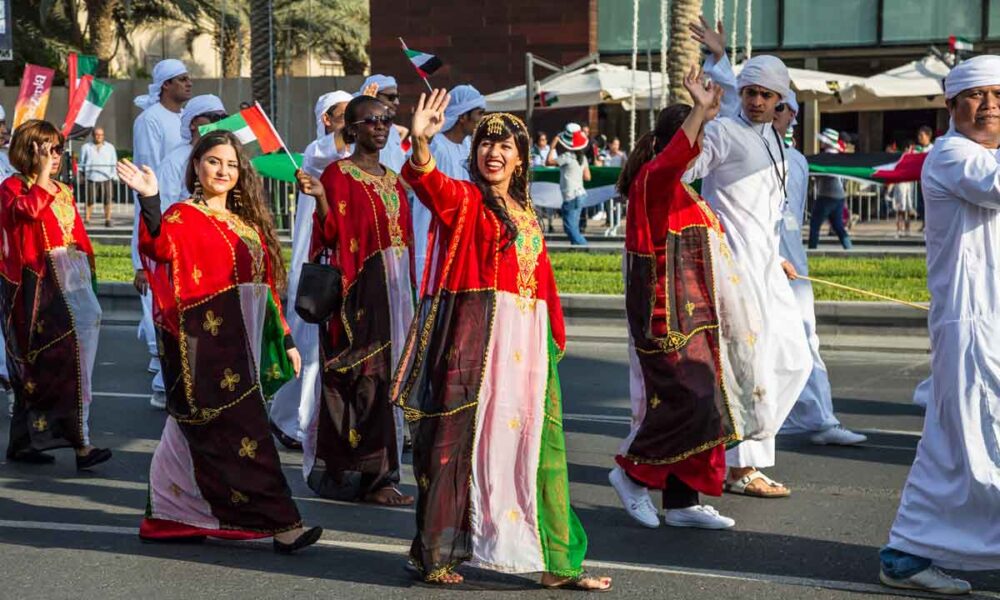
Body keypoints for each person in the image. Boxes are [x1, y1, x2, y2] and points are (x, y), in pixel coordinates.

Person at [391, 91, 611, 590]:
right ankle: (437, 554)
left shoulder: (525, 211)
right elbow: (428, 183)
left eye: (505, 145)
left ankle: (555, 563)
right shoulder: (466, 200)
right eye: (486, 143)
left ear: (520, 158)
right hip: (477, 333)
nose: (494, 152)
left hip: (527, 343)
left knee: (532, 445)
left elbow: (544, 279)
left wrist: (554, 332)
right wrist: (422, 141)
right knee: (459, 444)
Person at [116, 131, 323, 553]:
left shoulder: (247, 225)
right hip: (201, 347)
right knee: (242, 434)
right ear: (197, 165)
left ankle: (171, 514)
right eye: (214, 161)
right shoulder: (181, 217)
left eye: (231, 164)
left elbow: (265, 289)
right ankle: (282, 522)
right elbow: (158, 246)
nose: (223, 171)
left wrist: (284, 339)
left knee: (186, 431)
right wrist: (150, 200)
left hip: (242, 346)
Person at [610, 66, 766, 531]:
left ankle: (682, 502)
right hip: (666, 321)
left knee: (706, 409)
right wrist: (700, 110)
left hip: (699, 319)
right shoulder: (653, 185)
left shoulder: (686, 195)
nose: (699, 151)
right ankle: (629, 472)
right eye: (694, 139)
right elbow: (674, 159)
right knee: (687, 405)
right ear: (669, 145)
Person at [878, 55, 1000, 596]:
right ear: (952, 107)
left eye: (999, 95)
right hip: (972, 326)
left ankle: (907, 554)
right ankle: (907, 554)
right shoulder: (954, 155)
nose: (990, 105)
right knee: (971, 441)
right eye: (977, 96)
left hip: (989, 323)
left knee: (958, 443)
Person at [687, 17, 811, 498]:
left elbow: (766, 210)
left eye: (765, 94)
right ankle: (741, 467)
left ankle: (737, 447)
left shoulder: (774, 140)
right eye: (749, 92)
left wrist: (777, 256)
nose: (756, 100)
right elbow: (685, 167)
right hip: (732, 269)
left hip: (768, 268)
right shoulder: (725, 134)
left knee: (793, 361)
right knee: (750, 367)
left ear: (780, 100)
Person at [295, 95, 415, 507]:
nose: (380, 126)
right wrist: (321, 198)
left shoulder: (396, 180)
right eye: (370, 121)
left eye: (385, 120)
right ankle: (363, 474)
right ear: (352, 128)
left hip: (395, 297)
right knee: (363, 382)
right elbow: (327, 236)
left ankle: (381, 474)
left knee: (388, 383)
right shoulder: (336, 175)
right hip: (356, 296)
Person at [1, 120, 111, 470]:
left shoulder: (63, 192)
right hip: (35, 289)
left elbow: (78, 237)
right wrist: (44, 175)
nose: (56, 156)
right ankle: (80, 443)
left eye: (59, 149)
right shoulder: (12, 188)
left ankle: (31, 441)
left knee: (68, 363)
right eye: (48, 149)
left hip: (71, 284)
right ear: (29, 150)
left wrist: (89, 278)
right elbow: (27, 212)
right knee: (45, 364)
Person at [772, 97, 867, 446]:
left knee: (805, 336)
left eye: (777, 104)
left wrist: (788, 257)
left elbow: (791, 216)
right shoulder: (741, 150)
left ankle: (819, 420)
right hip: (752, 265)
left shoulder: (797, 161)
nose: (765, 108)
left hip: (792, 265)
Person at [269, 90, 354, 451]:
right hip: (314, 268)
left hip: (344, 266)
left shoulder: (355, 161)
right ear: (327, 119)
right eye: (348, 115)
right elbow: (326, 150)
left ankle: (290, 417)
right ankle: (296, 426)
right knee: (309, 346)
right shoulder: (316, 155)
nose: (357, 124)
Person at [131, 58, 193, 409]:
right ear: (165, 84)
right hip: (160, 212)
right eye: (181, 79)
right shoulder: (149, 121)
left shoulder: (182, 123)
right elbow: (148, 175)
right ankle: (162, 378)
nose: (188, 83)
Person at [419, 84, 486, 288]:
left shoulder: (468, 146)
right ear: (463, 117)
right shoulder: (435, 145)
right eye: (479, 113)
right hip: (435, 232)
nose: (482, 119)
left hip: (462, 232)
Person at [155, 95, 226, 209]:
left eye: (223, 117)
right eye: (213, 117)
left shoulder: (227, 157)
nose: (219, 122)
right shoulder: (175, 161)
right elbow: (164, 208)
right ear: (193, 123)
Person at [546, 123, 591, 246]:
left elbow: (548, 162)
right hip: (581, 194)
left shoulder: (567, 156)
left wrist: (552, 147)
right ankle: (578, 248)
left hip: (571, 195)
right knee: (574, 226)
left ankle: (584, 248)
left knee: (569, 227)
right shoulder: (583, 157)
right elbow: (587, 177)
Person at [808, 128, 853, 250]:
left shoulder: (825, 157)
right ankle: (849, 249)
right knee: (838, 226)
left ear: (827, 142)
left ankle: (812, 250)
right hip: (839, 196)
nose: (820, 142)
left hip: (826, 195)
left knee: (815, 225)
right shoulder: (838, 156)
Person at [78, 127, 118, 227]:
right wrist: (81, 175)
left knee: (108, 200)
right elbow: (81, 163)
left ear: (103, 136)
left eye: (101, 135)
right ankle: (87, 219)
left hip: (106, 177)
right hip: (91, 177)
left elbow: (114, 162)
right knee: (89, 200)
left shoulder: (110, 147)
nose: (99, 136)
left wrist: (114, 176)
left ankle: (108, 220)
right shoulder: (86, 147)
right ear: (93, 135)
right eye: (97, 134)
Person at [888, 140, 917, 238]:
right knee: (900, 208)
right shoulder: (900, 158)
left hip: (910, 184)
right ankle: (899, 230)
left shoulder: (913, 156)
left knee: (908, 207)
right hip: (901, 184)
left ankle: (907, 229)